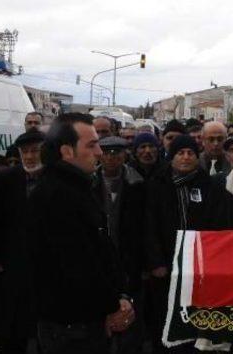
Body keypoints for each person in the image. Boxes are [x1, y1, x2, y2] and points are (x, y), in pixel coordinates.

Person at [29, 113, 133, 354]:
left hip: (85, 321)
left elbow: (101, 250)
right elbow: (79, 264)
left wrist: (121, 295)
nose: (99, 152)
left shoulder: (77, 187)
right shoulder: (55, 196)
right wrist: (113, 305)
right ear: (67, 151)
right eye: (91, 145)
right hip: (72, 327)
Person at [144, 135, 224, 353]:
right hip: (166, 263)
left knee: (195, 313)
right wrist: (155, 261)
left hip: (199, 262)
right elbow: (149, 225)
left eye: (190, 153)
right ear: (171, 157)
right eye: (180, 153)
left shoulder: (208, 184)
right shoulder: (157, 184)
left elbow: (216, 222)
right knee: (165, 311)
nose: (186, 157)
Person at [0, 130, 45, 353]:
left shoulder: (57, 178)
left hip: (47, 263)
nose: (30, 157)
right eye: (25, 152)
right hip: (14, 260)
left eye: (35, 151)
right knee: (14, 323)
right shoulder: (7, 179)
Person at [92, 137, 146, 354]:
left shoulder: (138, 183)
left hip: (130, 256)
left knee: (132, 318)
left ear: (125, 155)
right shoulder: (89, 182)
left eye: (117, 152)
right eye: (106, 152)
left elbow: (145, 224)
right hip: (99, 258)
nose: (111, 157)